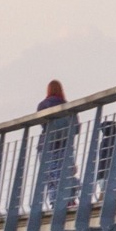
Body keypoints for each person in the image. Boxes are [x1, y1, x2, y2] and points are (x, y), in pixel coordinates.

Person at [35, 83, 77, 213]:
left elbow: (42, 124)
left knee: (50, 176)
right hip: (64, 144)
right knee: (65, 172)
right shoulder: (67, 105)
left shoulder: (42, 105)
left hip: (46, 145)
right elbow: (76, 127)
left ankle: (55, 202)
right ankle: (69, 198)